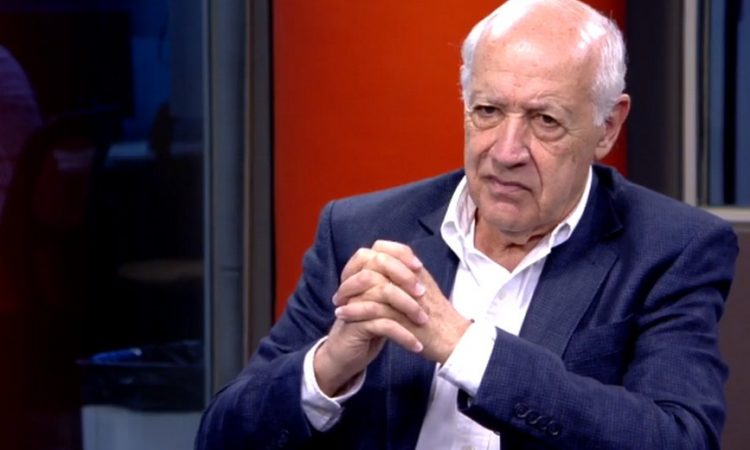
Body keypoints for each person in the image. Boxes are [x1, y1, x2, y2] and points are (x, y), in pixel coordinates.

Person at [195, 0, 738, 448]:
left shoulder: (671, 248)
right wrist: (329, 367)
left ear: (608, 126)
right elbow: (221, 435)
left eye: (545, 120)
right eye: (488, 111)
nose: (506, 151)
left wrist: (466, 348)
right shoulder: (361, 229)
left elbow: (679, 438)